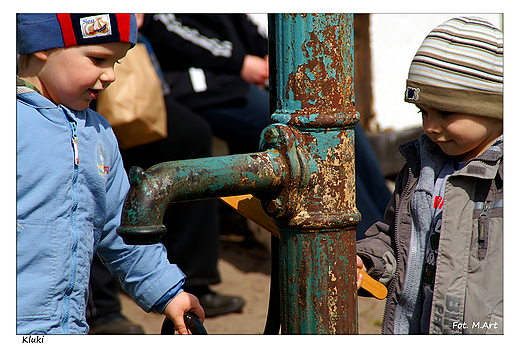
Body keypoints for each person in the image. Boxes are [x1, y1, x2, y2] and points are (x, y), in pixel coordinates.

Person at [16, 13, 204, 335]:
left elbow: (120, 226)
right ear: (42, 47)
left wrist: (167, 291)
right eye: (98, 58)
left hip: (67, 327)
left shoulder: (97, 133)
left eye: (116, 62)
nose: (110, 75)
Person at [355, 16, 503, 334]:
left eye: (446, 112)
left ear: (494, 107)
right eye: (423, 112)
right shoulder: (421, 168)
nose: (430, 127)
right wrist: (367, 259)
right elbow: (397, 237)